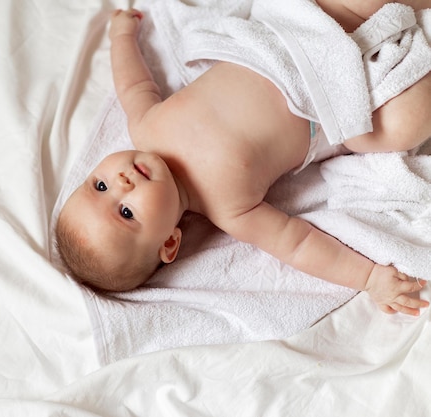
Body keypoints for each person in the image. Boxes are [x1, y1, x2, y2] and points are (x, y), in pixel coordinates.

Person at [56, 0, 431, 316]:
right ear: (169, 243)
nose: (121, 185)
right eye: (126, 212)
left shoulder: (146, 126)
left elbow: (134, 83)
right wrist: (368, 278)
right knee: (403, 125)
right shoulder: (229, 209)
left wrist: (121, 36)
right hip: (338, 106)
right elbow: (298, 245)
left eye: (100, 185)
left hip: (287, 41)